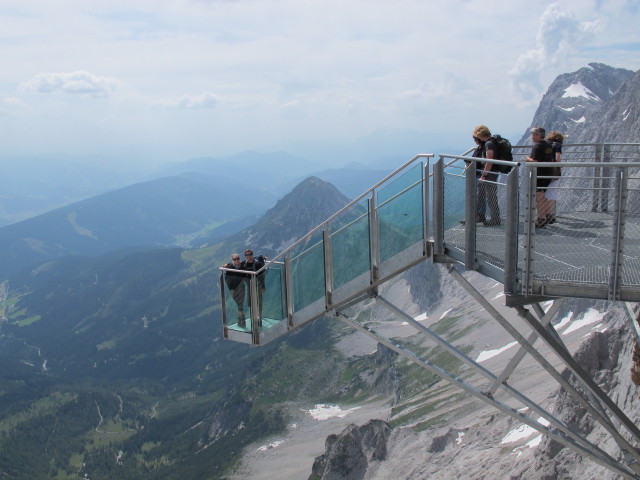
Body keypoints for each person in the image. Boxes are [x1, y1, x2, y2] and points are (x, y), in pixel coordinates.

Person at [526, 127, 555, 228]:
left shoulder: (537, 146)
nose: (532, 137)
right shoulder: (548, 145)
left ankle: (541, 218)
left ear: (538, 135)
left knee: (539, 197)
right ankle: (547, 215)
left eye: (533, 135)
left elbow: (535, 161)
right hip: (548, 173)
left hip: (539, 175)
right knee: (544, 195)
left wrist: (527, 159)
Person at [472, 125, 501, 226]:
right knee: (483, 195)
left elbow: (489, 161)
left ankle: (495, 219)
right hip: (492, 173)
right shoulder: (492, 142)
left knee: (491, 197)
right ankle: (478, 215)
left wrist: (484, 175)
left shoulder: (489, 144)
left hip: (490, 174)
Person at [545, 130, 565, 224]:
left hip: (542, 171)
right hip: (553, 172)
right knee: (552, 192)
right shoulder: (557, 145)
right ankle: (550, 215)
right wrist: (560, 165)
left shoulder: (544, 143)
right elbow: (557, 158)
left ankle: (541, 214)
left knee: (542, 192)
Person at [241, 249, 266, 325]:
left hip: (258, 285)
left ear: (252, 255)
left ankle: (260, 318)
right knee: (250, 302)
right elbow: (236, 267)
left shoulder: (258, 264)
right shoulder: (243, 264)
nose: (248, 256)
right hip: (249, 286)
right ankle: (254, 318)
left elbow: (262, 276)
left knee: (259, 302)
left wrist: (263, 286)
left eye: (249, 254)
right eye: (246, 255)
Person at [223, 254, 247, 327]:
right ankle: (241, 320)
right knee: (238, 304)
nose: (236, 260)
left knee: (240, 304)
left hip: (241, 287)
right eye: (234, 259)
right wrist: (231, 289)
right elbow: (227, 279)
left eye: (238, 258)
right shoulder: (230, 267)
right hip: (234, 289)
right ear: (232, 260)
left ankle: (241, 320)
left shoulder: (242, 265)